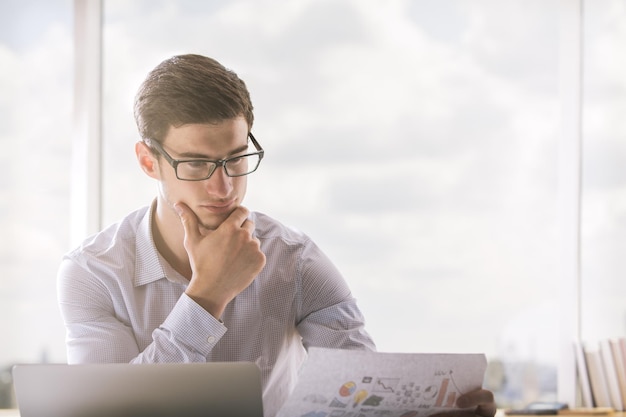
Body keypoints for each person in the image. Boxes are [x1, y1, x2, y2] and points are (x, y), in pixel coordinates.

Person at [57, 53, 496, 417]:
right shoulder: (93, 272)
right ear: (149, 161)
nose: (223, 187)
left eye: (235, 158)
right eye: (195, 164)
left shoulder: (296, 261)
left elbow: (360, 395)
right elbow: (110, 412)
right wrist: (207, 296)